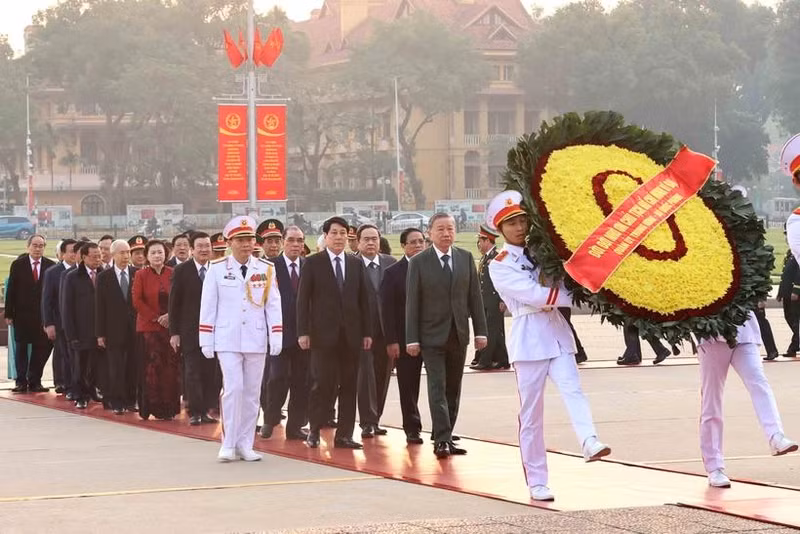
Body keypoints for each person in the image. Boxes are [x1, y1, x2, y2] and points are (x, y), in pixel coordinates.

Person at [486, 191, 611, 501]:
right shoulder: (500, 263)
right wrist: (587, 295)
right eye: (511, 223)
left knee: (573, 388)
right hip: (529, 338)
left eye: (523, 220)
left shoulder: (543, 252)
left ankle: (589, 439)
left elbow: (563, 279)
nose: (519, 227)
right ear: (500, 229)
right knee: (531, 415)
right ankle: (537, 480)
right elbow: (536, 295)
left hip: (556, 332)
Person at [199, 216, 282, 462]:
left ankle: (246, 443)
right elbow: (208, 306)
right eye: (241, 240)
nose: (247, 244)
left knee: (252, 393)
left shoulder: (266, 269)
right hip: (227, 338)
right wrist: (206, 338)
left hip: (256, 338)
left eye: (250, 240)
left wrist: (275, 334)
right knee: (233, 388)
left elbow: (273, 305)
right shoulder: (217, 269)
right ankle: (228, 442)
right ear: (229, 242)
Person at [406, 213, 488, 458]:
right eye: (440, 229)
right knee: (437, 386)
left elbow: (475, 297)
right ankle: (441, 439)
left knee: (454, 387)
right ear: (430, 232)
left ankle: (447, 435)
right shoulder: (419, 262)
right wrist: (412, 338)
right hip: (431, 337)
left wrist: (481, 332)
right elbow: (413, 303)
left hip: (458, 334)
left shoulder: (465, 258)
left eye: (450, 229)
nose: (446, 233)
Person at [697, 311, 797, 488]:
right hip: (712, 336)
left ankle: (776, 436)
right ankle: (714, 467)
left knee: (759, 383)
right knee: (712, 399)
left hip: (744, 333)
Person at [298, 216, 372, 450]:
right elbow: (303, 300)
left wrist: (367, 332)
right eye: (335, 233)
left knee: (350, 386)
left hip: (351, 336)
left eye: (343, 233)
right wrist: (303, 332)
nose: (339, 237)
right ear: (326, 236)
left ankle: (344, 435)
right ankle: (315, 429)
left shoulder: (355, 263)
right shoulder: (313, 263)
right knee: (322, 384)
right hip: (322, 337)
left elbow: (365, 300)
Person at [261, 225, 309, 440]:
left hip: (304, 335)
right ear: (282, 242)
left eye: (300, 241)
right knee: (276, 378)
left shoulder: (310, 266)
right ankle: (271, 418)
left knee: (302, 382)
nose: (296, 245)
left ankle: (295, 426)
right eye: (291, 240)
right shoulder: (269, 267)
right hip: (278, 334)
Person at [381, 227, 426, 444]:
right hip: (405, 339)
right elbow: (386, 310)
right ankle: (412, 427)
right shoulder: (392, 273)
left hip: (434, 337)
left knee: (440, 385)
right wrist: (391, 340)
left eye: (421, 241)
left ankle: (442, 430)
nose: (418, 246)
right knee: (408, 385)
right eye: (413, 242)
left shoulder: (434, 268)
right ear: (403, 246)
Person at [169, 232, 218, 426]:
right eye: (200, 246)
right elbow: (174, 303)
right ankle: (195, 411)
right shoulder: (182, 270)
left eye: (207, 246)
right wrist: (174, 332)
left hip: (213, 331)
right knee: (192, 372)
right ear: (192, 249)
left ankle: (205, 410)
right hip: (189, 332)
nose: (205, 249)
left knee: (209, 373)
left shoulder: (216, 269)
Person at [356, 224, 397, 438]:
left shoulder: (390, 263)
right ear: (359, 241)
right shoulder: (352, 264)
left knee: (383, 375)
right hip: (363, 332)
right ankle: (367, 422)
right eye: (366, 239)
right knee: (365, 378)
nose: (371, 242)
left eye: (374, 238)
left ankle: (377, 418)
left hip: (386, 332)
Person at [132, 240, 178, 421]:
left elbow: (178, 297)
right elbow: (137, 300)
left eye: (160, 252)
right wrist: (156, 317)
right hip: (149, 329)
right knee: (151, 369)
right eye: (153, 253)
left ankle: (169, 408)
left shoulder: (173, 273)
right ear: (147, 256)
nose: (157, 256)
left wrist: (169, 316)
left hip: (169, 329)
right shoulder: (141, 275)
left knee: (170, 369)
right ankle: (149, 406)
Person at [5, 234, 55, 393]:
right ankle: (21, 382)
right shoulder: (18, 264)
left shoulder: (50, 265)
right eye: (35, 245)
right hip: (21, 315)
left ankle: (35, 381)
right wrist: (8, 313)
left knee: (40, 348)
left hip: (42, 316)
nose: (38, 249)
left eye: (41, 246)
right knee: (21, 348)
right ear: (28, 247)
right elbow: (11, 290)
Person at [96, 240, 138, 414]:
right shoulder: (104, 277)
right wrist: (100, 334)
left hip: (135, 330)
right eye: (122, 253)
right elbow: (100, 307)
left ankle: (130, 399)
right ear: (113, 255)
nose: (126, 256)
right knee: (115, 367)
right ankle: (116, 401)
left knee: (132, 367)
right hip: (113, 331)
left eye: (128, 252)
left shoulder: (137, 273)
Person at [61, 242, 102, 409]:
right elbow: (67, 307)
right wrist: (71, 335)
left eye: (99, 256)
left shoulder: (104, 274)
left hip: (100, 330)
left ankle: (92, 389)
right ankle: (80, 395)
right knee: (81, 365)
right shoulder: (72, 276)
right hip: (81, 330)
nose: (98, 259)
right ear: (84, 257)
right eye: (94, 257)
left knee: (97, 364)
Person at [41, 238, 78, 395]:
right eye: (71, 251)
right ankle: (63, 383)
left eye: (77, 251)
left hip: (79, 322)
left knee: (77, 355)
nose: (74, 255)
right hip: (59, 321)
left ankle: (77, 384)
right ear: (62, 254)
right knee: (62, 354)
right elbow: (46, 300)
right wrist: (48, 323)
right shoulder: (52, 273)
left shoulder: (82, 271)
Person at [471, 224, 509, 371]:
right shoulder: (485, 258)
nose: (479, 245)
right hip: (485, 300)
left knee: (491, 331)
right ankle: (502, 359)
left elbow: (504, 280)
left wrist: (502, 299)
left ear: (488, 241)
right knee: (495, 331)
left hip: (495, 300)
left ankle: (485, 361)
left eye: (480, 241)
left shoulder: (498, 257)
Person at [776, 246, 800, 359]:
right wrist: (781, 292)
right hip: (787, 292)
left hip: (794, 294)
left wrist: (796, 290)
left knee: (795, 319)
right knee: (789, 317)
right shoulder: (791, 252)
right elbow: (785, 274)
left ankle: (794, 346)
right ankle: (796, 343)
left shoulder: (798, 252)